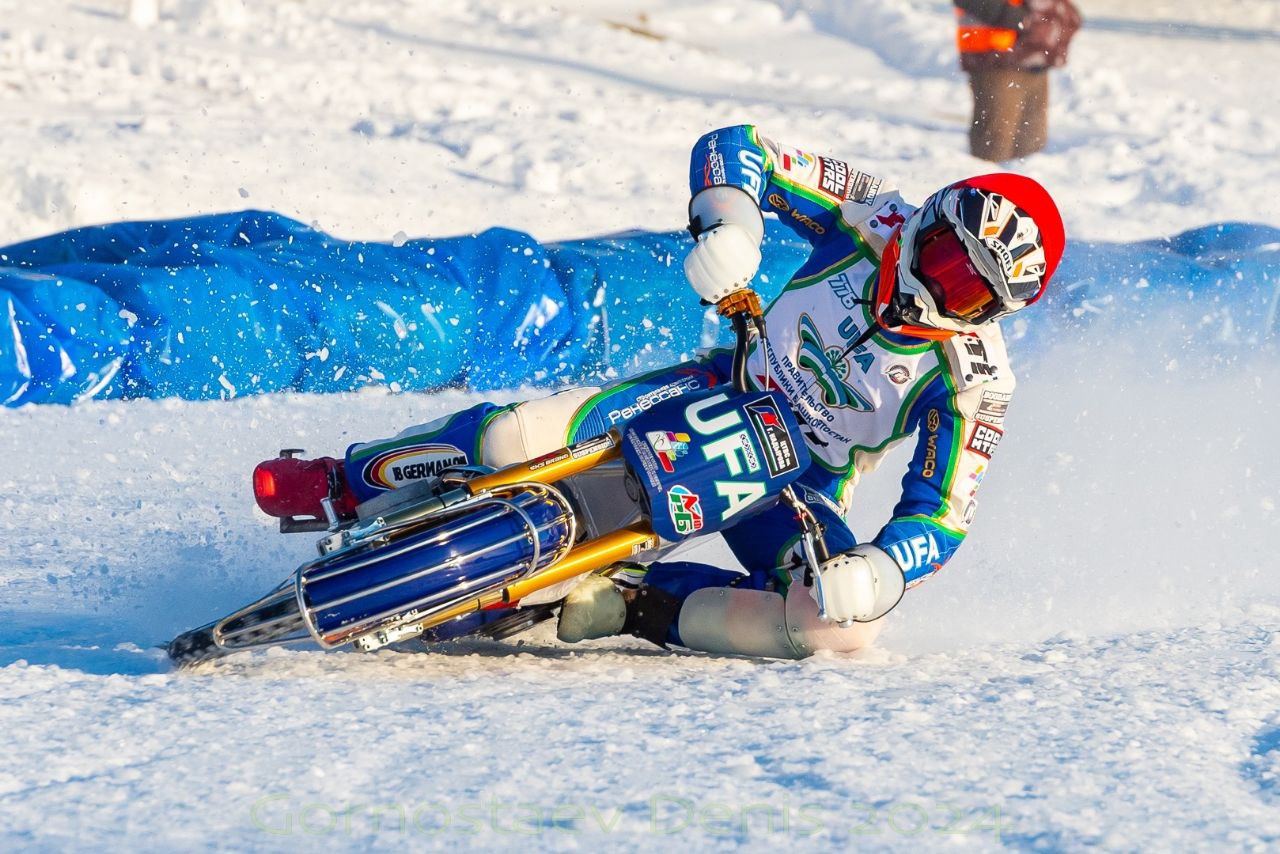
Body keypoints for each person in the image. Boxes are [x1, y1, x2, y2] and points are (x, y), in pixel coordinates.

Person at [260, 125, 1064, 659]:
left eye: (966, 288)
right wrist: (734, 227)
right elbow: (738, 146)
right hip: (717, 383)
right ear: (923, 221)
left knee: (835, 634)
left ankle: (634, 604)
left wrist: (881, 571)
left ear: (994, 312)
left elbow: (942, 516)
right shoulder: (870, 213)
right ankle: (345, 478)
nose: (935, 282)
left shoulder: (974, 386)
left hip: (796, 484)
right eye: (940, 253)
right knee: (512, 438)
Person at [955, 0, 1083, 161]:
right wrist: (1019, 19)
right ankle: (986, 185)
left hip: (1035, 57)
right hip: (996, 59)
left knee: (1030, 147)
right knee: (994, 146)